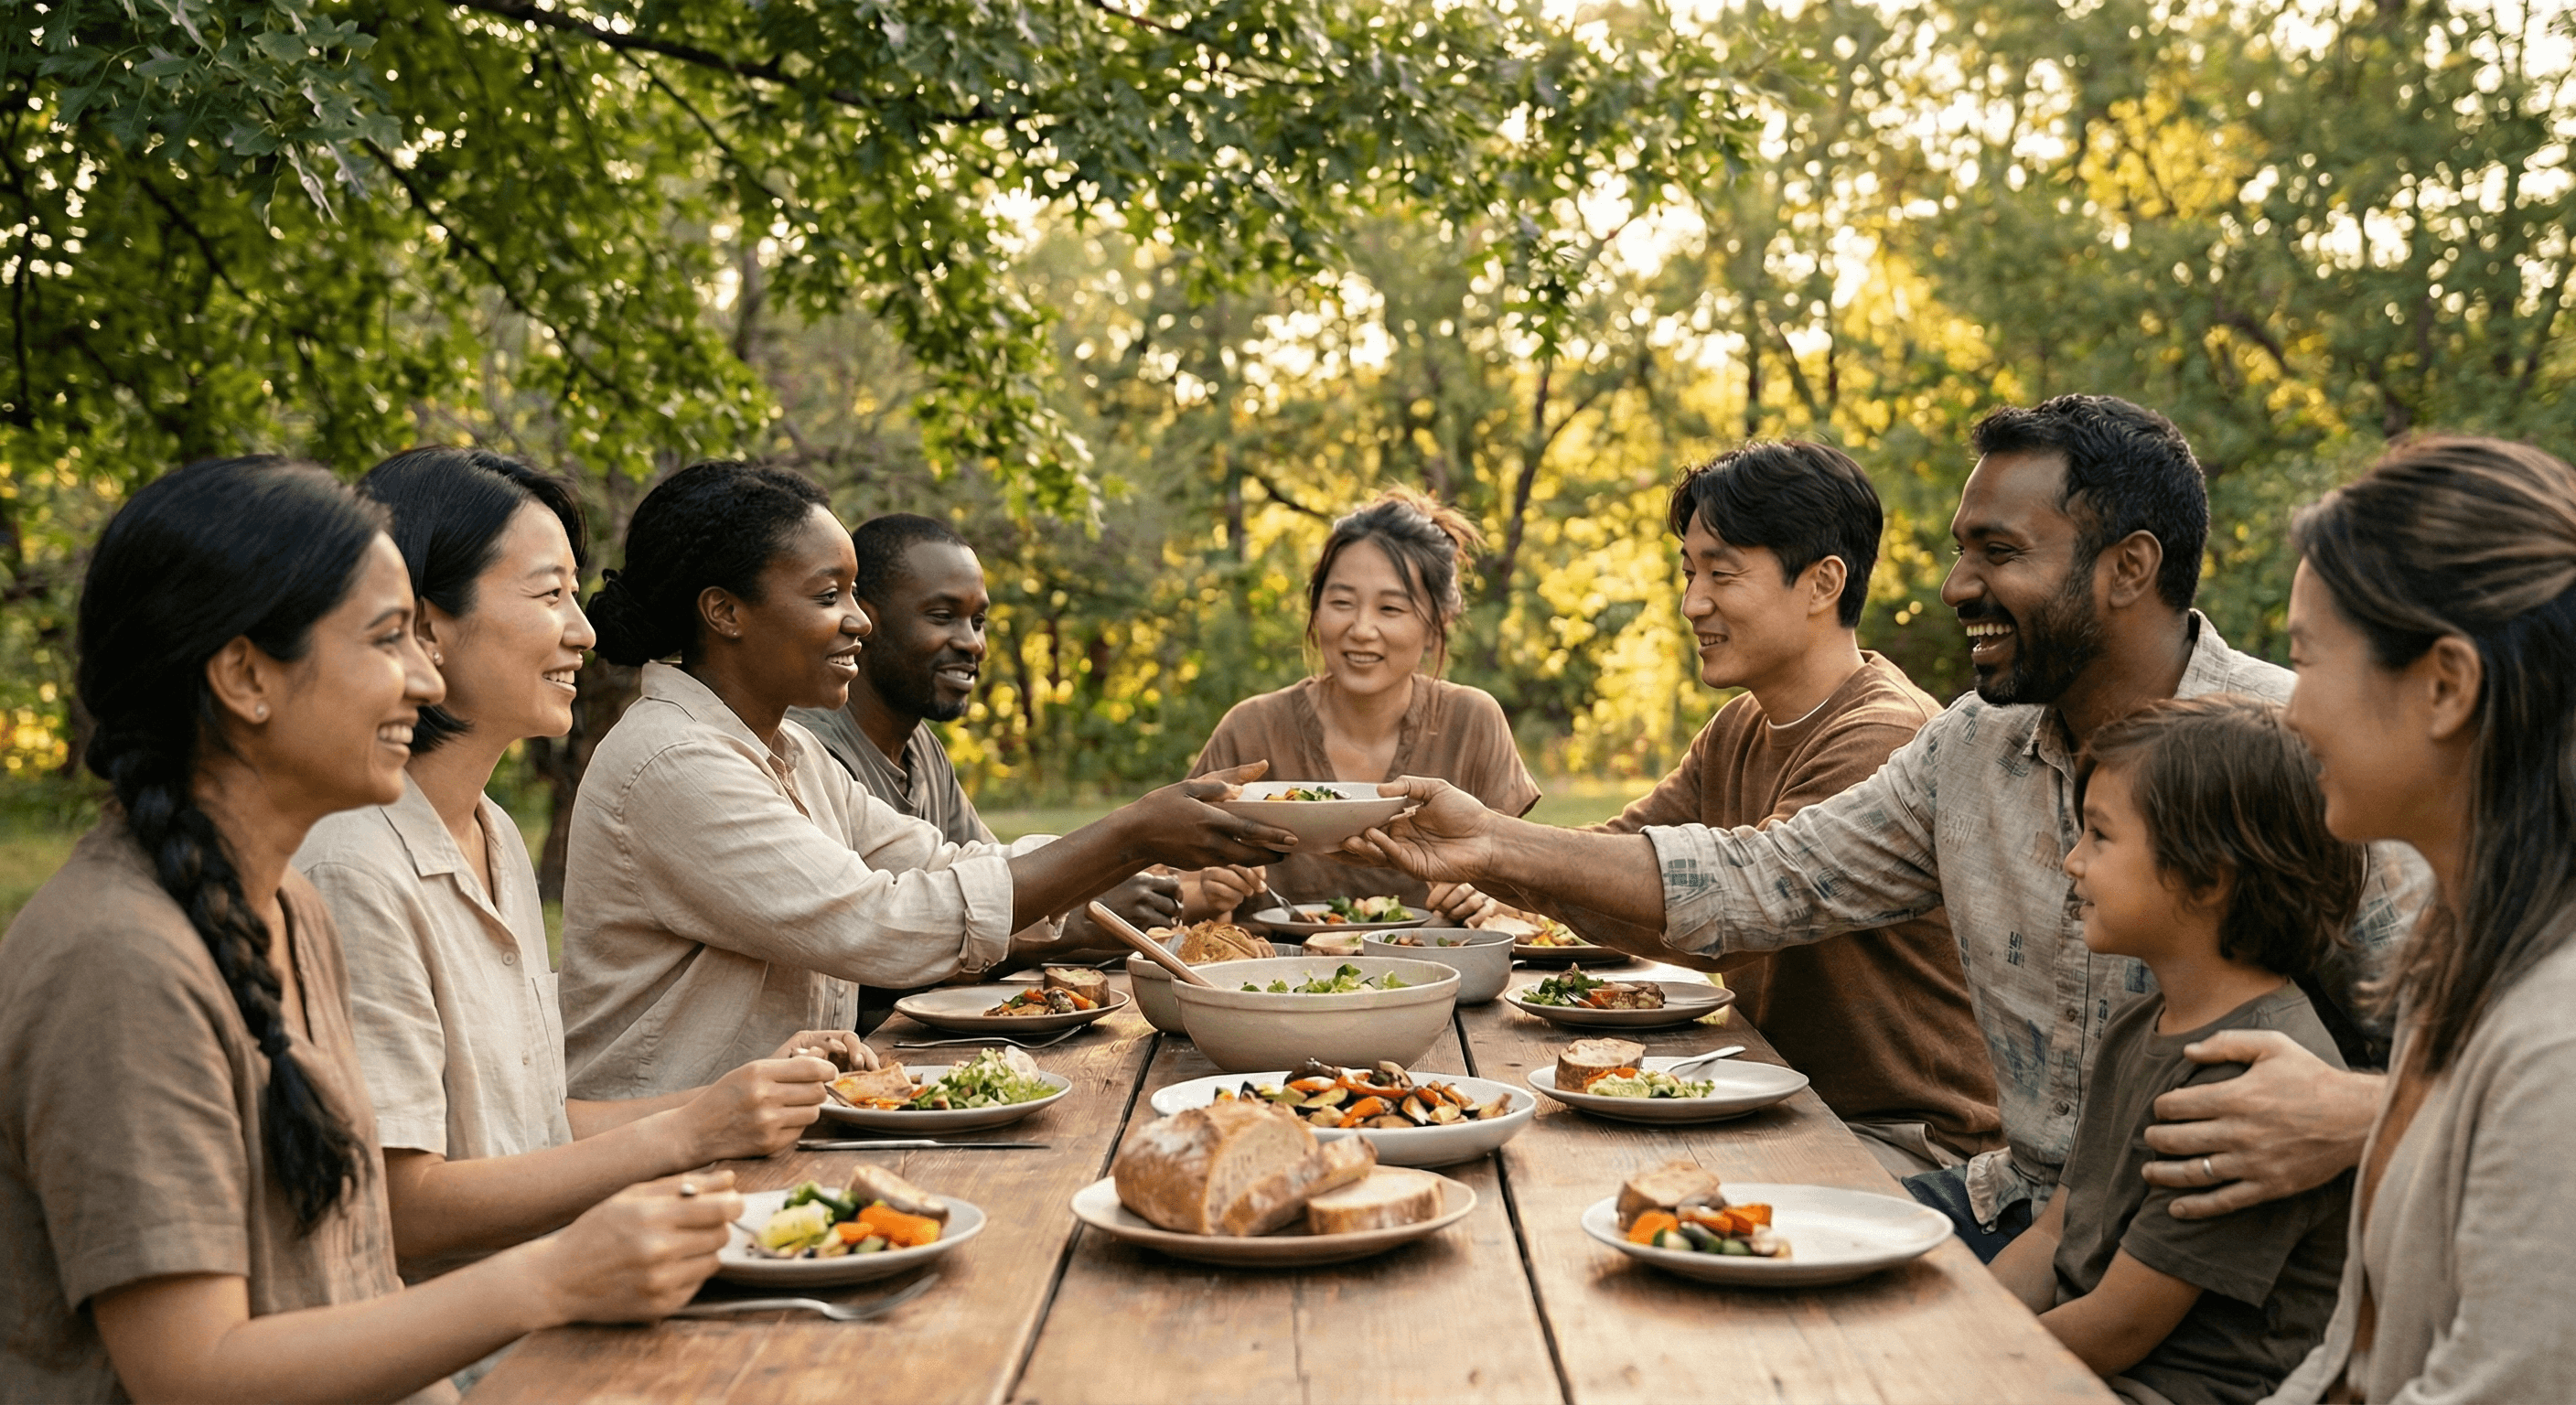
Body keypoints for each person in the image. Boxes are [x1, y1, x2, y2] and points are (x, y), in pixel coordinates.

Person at [1339, 395, 2424, 1260]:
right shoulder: (1971, 748)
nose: (1956, 585)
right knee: (1661, 1255)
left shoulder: (2298, 745)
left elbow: (2508, 1052)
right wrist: (1490, 843)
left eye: (1997, 553)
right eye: (1961, 550)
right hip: (2022, 1208)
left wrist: (2356, 1113)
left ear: (2126, 568)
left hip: (2209, 1266)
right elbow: (1761, 879)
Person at [0, 458, 737, 1404]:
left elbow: (353, 1269)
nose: (425, 679)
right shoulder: (122, 961)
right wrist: (550, 1279)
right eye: (390, 640)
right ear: (244, 675)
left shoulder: (285, 906)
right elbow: (192, 1373)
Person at [295, 448, 870, 1284]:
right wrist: (686, 1133)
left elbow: (525, 1129)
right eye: (548, 594)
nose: (586, 630)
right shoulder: (351, 868)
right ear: (422, 625)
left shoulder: (487, 832)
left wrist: (739, 1099)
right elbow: (398, 1208)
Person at [560, 460, 1293, 1098]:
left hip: (768, 1137)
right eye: (828, 597)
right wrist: (1130, 836)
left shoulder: (787, 752)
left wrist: (1136, 838)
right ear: (723, 611)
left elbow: (947, 866)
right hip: (659, 1164)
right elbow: (877, 923)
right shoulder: (676, 762)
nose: (860, 622)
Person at [1582, 442, 1999, 1178]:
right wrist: (1489, 867)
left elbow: (1727, 928)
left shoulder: (1882, 733)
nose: (1692, 603)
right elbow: (1620, 848)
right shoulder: (1739, 727)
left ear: (1822, 582)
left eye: (1721, 573)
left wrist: (1489, 848)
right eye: (1688, 573)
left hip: (1904, 1139)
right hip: (1784, 1099)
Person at [2265, 436, 2576, 1401]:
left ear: (2444, 685)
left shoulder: (2554, 1040)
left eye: (2304, 658)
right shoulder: (2459, 956)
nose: (2289, 711)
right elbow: (2346, 1361)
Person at [1990, 696, 2359, 1405]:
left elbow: (2122, 1325)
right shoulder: (2139, 1027)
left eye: (2099, 836)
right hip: (2077, 1365)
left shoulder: (2255, 1074)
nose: (2072, 861)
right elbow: (2054, 1233)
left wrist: (1959, 1367)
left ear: (2207, 875)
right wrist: (1960, 1327)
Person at [785, 512, 1180, 1013]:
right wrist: (1081, 922)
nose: (973, 643)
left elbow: (999, 876)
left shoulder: (921, 746)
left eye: (978, 621)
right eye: (942, 616)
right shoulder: (808, 752)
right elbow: (881, 953)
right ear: (868, 619)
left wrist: (1120, 877)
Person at [1185, 488, 1538, 922]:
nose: (1361, 629)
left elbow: (1530, 889)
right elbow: (1167, 882)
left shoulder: (1472, 723)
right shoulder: (1251, 729)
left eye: (1390, 608)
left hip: (1441, 981)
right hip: (1270, 982)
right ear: (1315, 611)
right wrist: (1207, 889)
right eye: (1341, 603)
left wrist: (1487, 899)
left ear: (1436, 625)